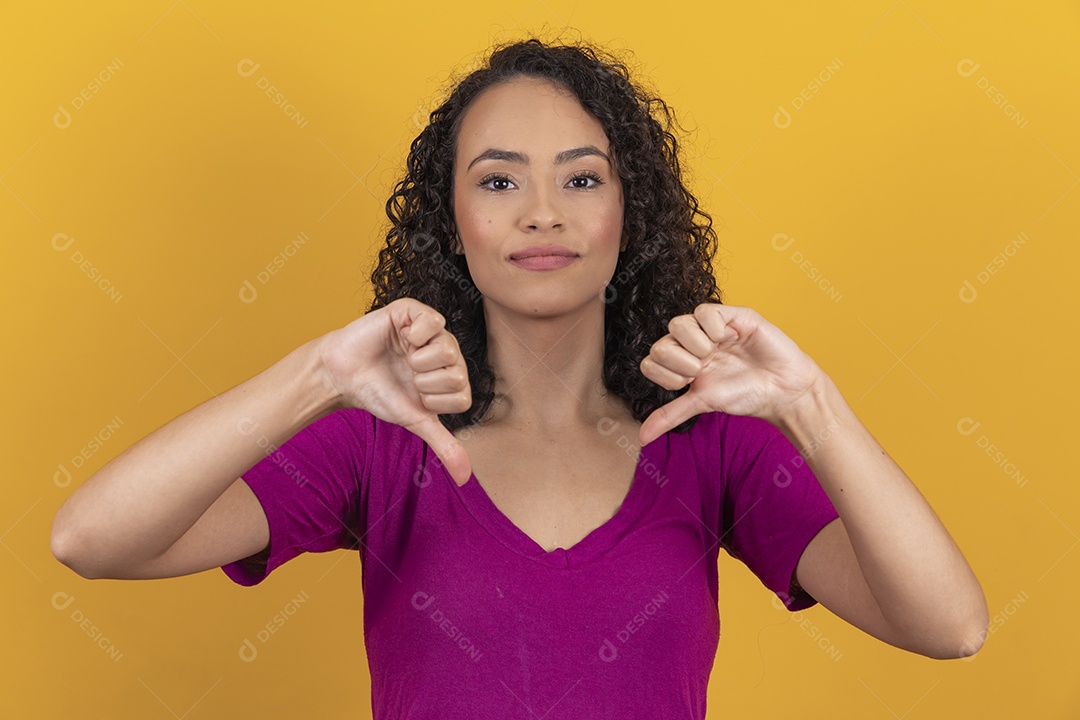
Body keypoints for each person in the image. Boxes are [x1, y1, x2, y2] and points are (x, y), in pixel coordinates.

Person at [51, 36, 989, 719]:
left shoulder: (711, 444)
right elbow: (91, 538)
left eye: (582, 179)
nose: (542, 213)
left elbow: (951, 628)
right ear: (450, 219)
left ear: (633, 213)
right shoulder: (386, 442)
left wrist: (808, 403)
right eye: (499, 182)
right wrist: (318, 374)